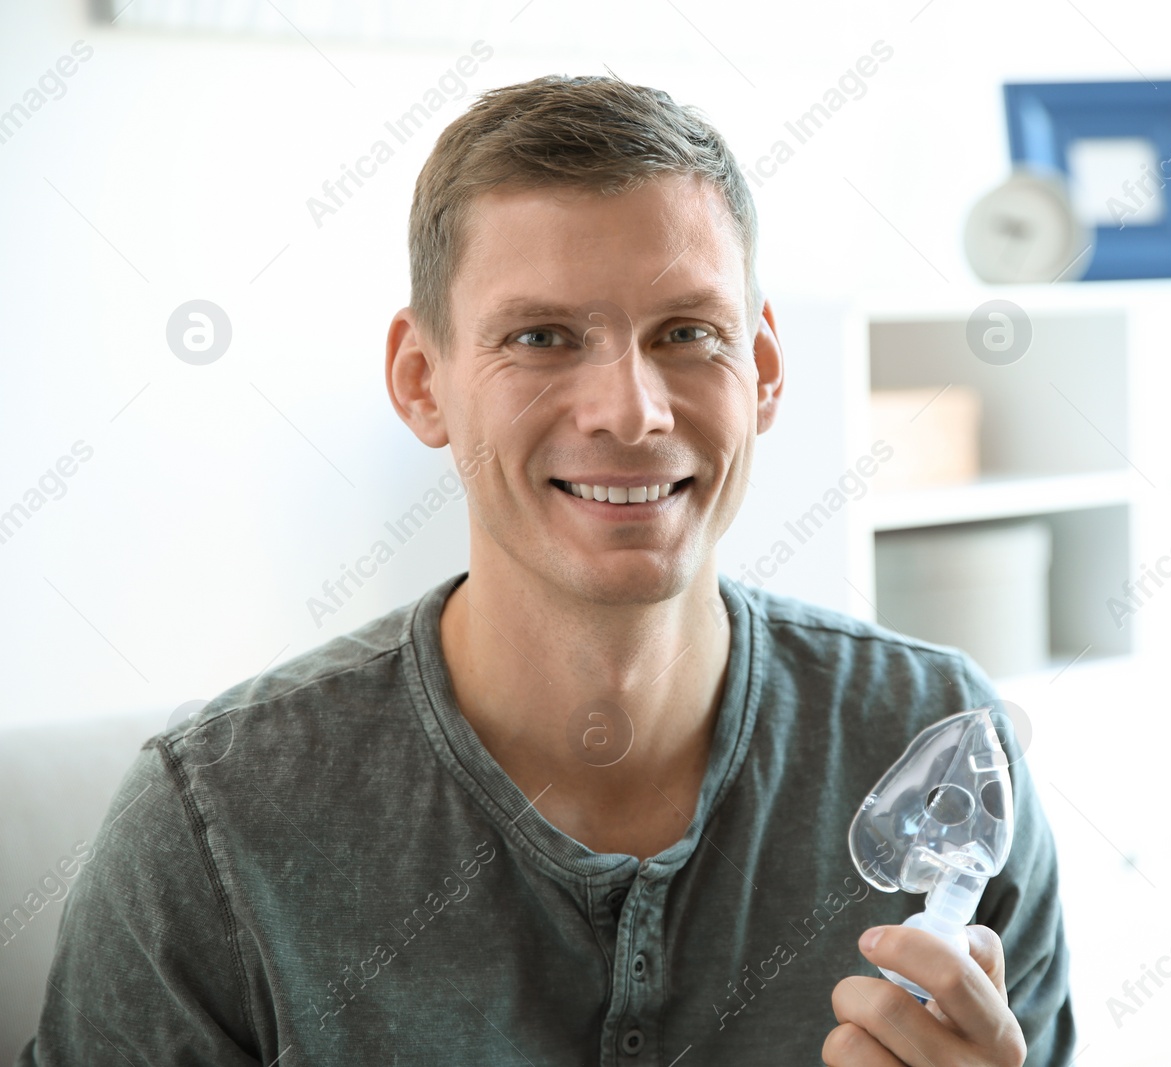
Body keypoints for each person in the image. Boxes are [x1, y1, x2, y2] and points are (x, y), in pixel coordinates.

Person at [18, 75, 1074, 1066]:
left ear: (761, 370)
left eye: (686, 334)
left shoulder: (938, 746)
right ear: (421, 379)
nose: (630, 410)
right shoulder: (211, 831)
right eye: (541, 335)